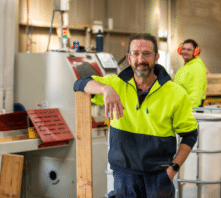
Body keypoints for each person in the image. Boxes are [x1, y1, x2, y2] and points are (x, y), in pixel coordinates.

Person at [73, 33, 198, 197]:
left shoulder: (176, 93)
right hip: (124, 178)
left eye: (146, 53)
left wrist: (172, 169)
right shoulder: (115, 84)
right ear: (128, 57)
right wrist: (105, 89)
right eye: (136, 53)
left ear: (156, 57)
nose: (141, 59)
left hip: (158, 178)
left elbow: (190, 135)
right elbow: (79, 83)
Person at [174, 39, 207, 108]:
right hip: (182, 107)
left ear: (195, 52)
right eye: (183, 49)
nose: (185, 52)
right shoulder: (185, 66)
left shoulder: (196, 67)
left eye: (189, 50)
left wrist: (191, 113)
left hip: (190, 110)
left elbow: (196, 93)